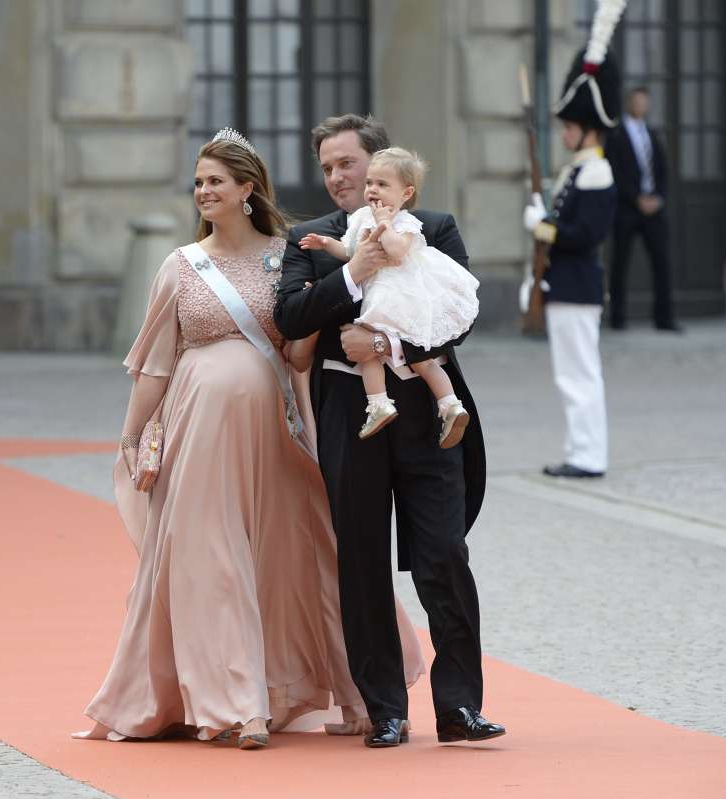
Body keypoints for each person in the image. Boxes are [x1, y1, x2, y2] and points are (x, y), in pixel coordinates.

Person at [76, 128, 423, 750]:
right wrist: (131, 438)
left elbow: (294, 353)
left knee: (296, 559)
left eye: (215, 181)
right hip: (198, 431)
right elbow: (156, 364)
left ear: (247, 191)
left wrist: (320, 317)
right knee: (211, 561)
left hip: (277, 431)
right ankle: (236, 705)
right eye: (199, 181)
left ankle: (325, 689)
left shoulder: (285, 254)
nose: (203, 191)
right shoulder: (180, 265)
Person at [274, 114, 504, 748]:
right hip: (352, 411)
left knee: (443, 554)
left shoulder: (433, 230)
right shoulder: (310, 239)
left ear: (386, 169)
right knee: (363, 561)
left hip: (431, 414)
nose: (339, 178)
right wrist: (353, 273)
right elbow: (289, 315)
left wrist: (382, 339)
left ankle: (460, 706)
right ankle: (385, 709)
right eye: (326, 168)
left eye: (348, 164)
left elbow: (460, 316)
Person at [293, 147, 479, 447]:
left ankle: (449, 404)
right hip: (377, 293)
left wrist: (384, 223)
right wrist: (326, 243)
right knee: (366, 350)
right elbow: (350, 251)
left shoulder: (404, 222)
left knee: (422, 359)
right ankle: (380, 404)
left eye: (382, 185)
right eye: (370, 183)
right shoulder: (361, 218)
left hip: (400, 294)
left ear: (406, 193)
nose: (372, 191)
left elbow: (396, 250)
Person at [523, 39, 623, 479]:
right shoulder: (580, 170)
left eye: (569, 127)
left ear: (588, 129)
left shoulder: (597, 171)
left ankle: (588, 455)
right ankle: (581, 449)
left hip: (577, 286)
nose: (563, 134)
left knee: (579, 374)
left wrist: (542, 226)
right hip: (565, 285)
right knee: (573, 374)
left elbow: (586, 236)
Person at [605, 86, 680, 332]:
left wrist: (657, 197)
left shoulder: (651, 133)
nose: (641, 106)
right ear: (629, 103)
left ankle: (664, 318)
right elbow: (614, 171)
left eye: (644, 102)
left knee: (662, 261)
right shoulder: (616, 135)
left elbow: (661, 170)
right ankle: (618, 317)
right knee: (621, 263)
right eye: (637, 101)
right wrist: (636, 197)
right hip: (628, 209)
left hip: (653, 208)